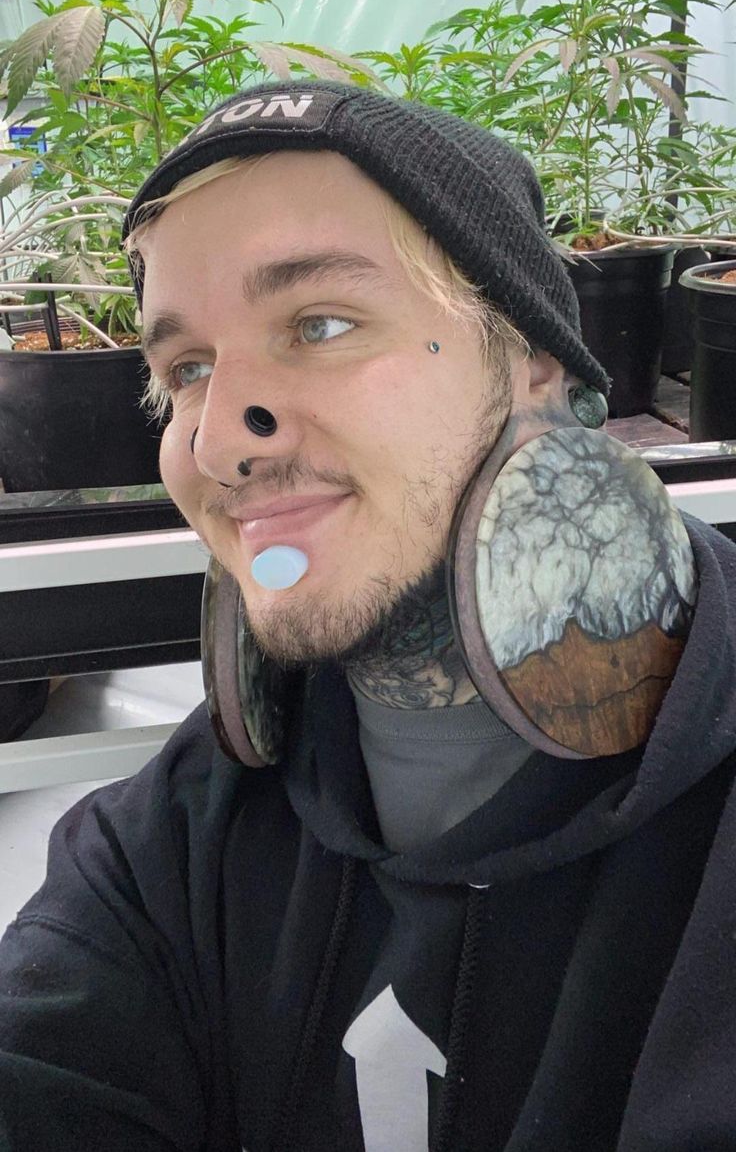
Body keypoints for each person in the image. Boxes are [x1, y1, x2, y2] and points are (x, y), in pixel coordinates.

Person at [1, 80, 735, 1152]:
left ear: (534, 360)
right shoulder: (175, 836)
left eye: (321, 323)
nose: (220, 441)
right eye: (187, 370)